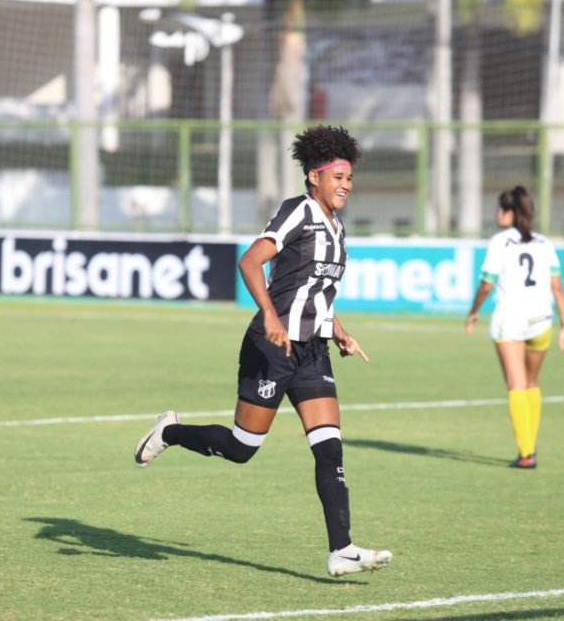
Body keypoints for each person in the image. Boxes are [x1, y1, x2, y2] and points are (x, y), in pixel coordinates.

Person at [133, 124, 392, 578]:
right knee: (242, 447)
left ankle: (342, 549)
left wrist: (339, 332)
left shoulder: (338, 228)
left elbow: (314, 292)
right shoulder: (299, 211)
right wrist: (270, 318)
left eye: (350, 178)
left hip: (312, 353)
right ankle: (169, 432)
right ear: (314, 176)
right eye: (338, 176)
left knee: (329, 449)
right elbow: (250, 261)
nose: (346, 185)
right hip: (271, 348)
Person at [464, 185, 564, 469]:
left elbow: (486, 284)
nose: (497, 214)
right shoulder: (544, 243)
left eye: (501, 209)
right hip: (542, 321)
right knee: (532, 383)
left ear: (511, 212)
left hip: (510, 321)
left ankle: (527, 453)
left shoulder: (501, 242)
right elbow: (557, 288)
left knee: (516, 385)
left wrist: (474, 312)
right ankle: (530, 446)